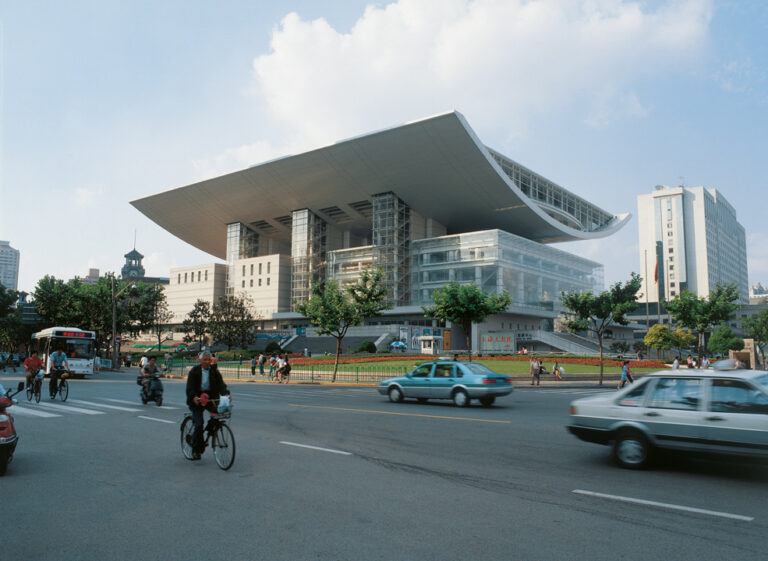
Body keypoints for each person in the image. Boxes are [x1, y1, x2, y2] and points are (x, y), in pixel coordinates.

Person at [186, 351, 230, 460]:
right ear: (200, 360)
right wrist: (194, 397)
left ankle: (208, 433)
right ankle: (196, 450)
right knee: (199, 423)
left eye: (209, 360)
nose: (207, 362)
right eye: (205, 360)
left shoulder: (214, 371)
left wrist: (226, 394)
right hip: (198, 399)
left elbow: (221, 385)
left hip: (210, 399)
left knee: (218, 416)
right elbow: (190, 388)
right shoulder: (194, 372)